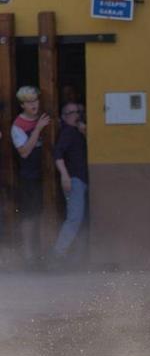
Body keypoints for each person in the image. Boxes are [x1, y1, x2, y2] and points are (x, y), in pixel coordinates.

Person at [10, 86, 50, 263]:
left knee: (42, 214)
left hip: (46, 174)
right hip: (29, 176)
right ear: (22, 105)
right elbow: (24, 152)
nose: (33, 105)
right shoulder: (17, 126)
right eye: (29, 102)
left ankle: (42, 252)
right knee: (29, 216)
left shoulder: (44, 118)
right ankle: (28, 254)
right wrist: (38, 129)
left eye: (35, 101)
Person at [52, 102, 88, 261]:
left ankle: (77, 258)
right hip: (75, 181)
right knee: (74, 219)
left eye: (78, 111)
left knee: (80, 219)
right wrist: (64, 176)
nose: (77, 115)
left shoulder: (78, 131)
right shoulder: (67, 132)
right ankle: (57, 255)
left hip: (82, 180)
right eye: (72, 112)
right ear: (64, 117)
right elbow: (57, 155)